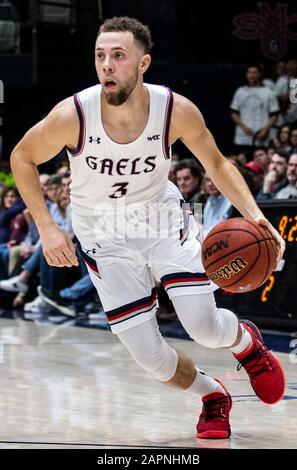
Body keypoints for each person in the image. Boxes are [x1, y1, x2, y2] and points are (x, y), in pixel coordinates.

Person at [10, 16, 286, 439]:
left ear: (143, 63)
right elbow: (22, 157)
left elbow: (216, 162)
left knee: (205, 329)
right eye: (100, 55)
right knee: (152, 361)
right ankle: (213, 395)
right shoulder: (74, 115)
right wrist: (47, 227)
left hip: (160, 224)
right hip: (104, 241)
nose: (106, 65)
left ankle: (246, 344)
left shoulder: (174, 110)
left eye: (118, 56)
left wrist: (256, 216)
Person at [230, 64, 279, 151]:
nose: (252, 75)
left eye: (255, 72)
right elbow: (234, 112)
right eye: (249, 72)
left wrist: (265, 129)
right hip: (242, 137)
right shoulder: (240, 91)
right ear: (246, 74)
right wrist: (243, 127)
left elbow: (274, 114)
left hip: (261, 136)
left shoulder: (268, 92)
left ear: (260, 74)